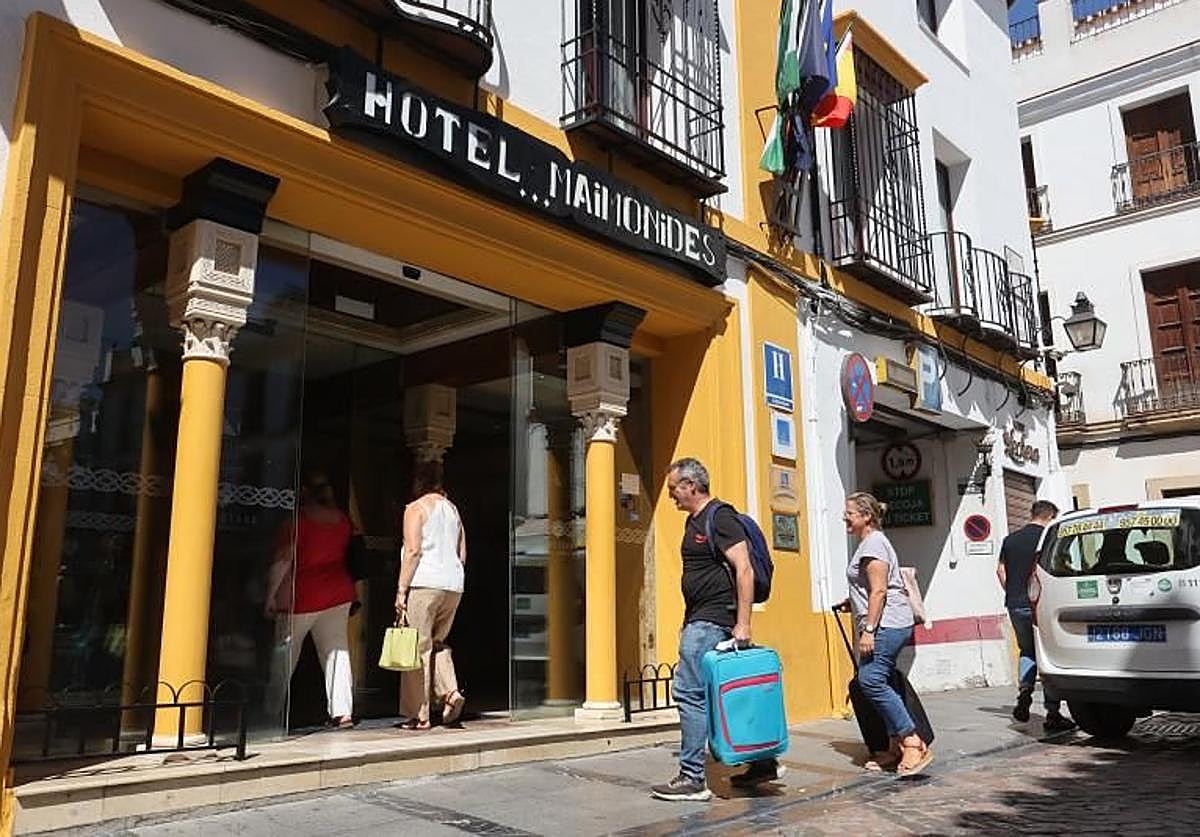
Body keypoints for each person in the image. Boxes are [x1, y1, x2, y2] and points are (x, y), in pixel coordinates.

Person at [650, 457, 782, 802]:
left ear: (691, 486)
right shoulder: (694, 521)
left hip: (714, 620)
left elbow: (744, 570)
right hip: (703, 619)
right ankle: (764, 764)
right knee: (721, 693)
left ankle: (692, 777)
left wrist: (743, 624)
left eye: (674, 489)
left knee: (689, 694)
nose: (671, 497)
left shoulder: (720, 517)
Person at [839, 491, 932, 776]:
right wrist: (852, 601)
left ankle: (911, 741)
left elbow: (879, 590)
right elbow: (872, 587)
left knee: (871, 680)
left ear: (866, 516)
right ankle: (894, 747)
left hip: (886, 624)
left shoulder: (874, 544)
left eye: (850, 513)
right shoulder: (872, 543)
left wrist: (869, 629)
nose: (845, 517)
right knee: (885, 680)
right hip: (887, 620)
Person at [266, 469, 356, 729]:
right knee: (337, 652)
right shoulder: (342, 520)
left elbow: (284, 560)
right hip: (338, 591)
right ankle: (343, 711)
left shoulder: (297, 520)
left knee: (285, 652)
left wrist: (270, 595)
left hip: (302, 593)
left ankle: (272, 708)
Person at [395, 461, 467, 730]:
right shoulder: (453, 511)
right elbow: (462, 554)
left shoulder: (415, 509)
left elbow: (413, 551)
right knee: (436, 642)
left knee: (417, 648)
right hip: (452, 585)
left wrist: (402, 589)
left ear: (417, 482)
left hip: (424, 584)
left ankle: (419, 714)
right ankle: (450, 691)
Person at [998, 499, 1075, 732]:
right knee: (1047, 654)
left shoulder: (1010, 540)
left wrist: (1012, 591)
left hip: (1015, 603)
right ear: (1050, 516)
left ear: (1032, 513)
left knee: (1027, 650)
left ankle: (1024, 691)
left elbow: (1000, 570)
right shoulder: (1050, 537)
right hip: (1040, 603)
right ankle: (1052, 713)